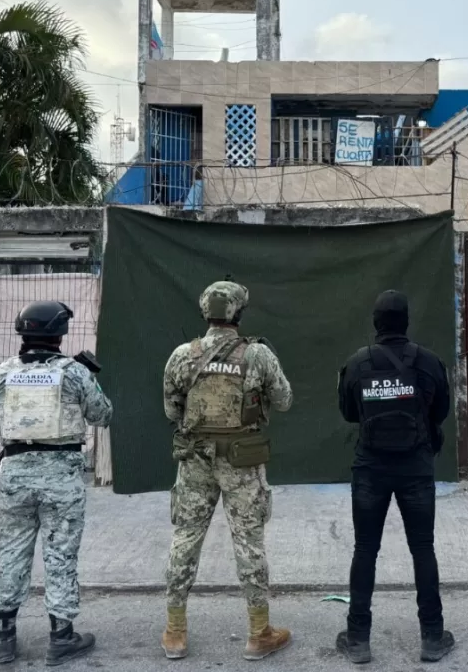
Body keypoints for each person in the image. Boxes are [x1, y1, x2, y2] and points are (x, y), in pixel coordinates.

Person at [161, 280, 293, 662]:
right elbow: (284, 400)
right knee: (249, 543)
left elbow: (171, 410)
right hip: (242, 462)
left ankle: (175, 632)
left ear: (206, 312)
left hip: (195, 460)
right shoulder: (257, 355)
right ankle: (259, 633)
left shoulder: (182, 355)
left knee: (185, 539)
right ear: (239, 313)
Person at [0, 301, 113, 667]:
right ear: (59, 334)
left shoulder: (4, 371)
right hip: (60, 476)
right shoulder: (74, 372)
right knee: (60, 553)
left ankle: (4, 635)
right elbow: (102, 414)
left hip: (15, 473)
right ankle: (61, 636)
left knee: (11, 551)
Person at [335, 290, 453, 665]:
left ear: (376, 323)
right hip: (416, 468)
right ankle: (432, 637)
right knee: (423, 549)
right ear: (406, 321)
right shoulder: (429, 362)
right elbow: (442, 411)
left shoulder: (357, 364)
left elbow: (348, 413)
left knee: (365, 550)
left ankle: (358, 639)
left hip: (370, 469)